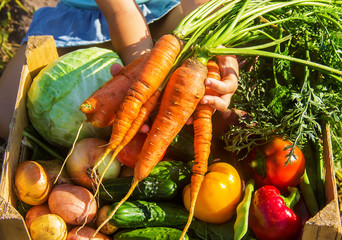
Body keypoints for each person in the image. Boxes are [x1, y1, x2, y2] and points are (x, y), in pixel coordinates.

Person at [0, 0, 238, 140]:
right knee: (5, 118)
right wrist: (145, 76)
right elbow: (120, 11)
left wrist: (223, 52)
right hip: (87, 19)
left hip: (161, 9)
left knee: (209, 64)